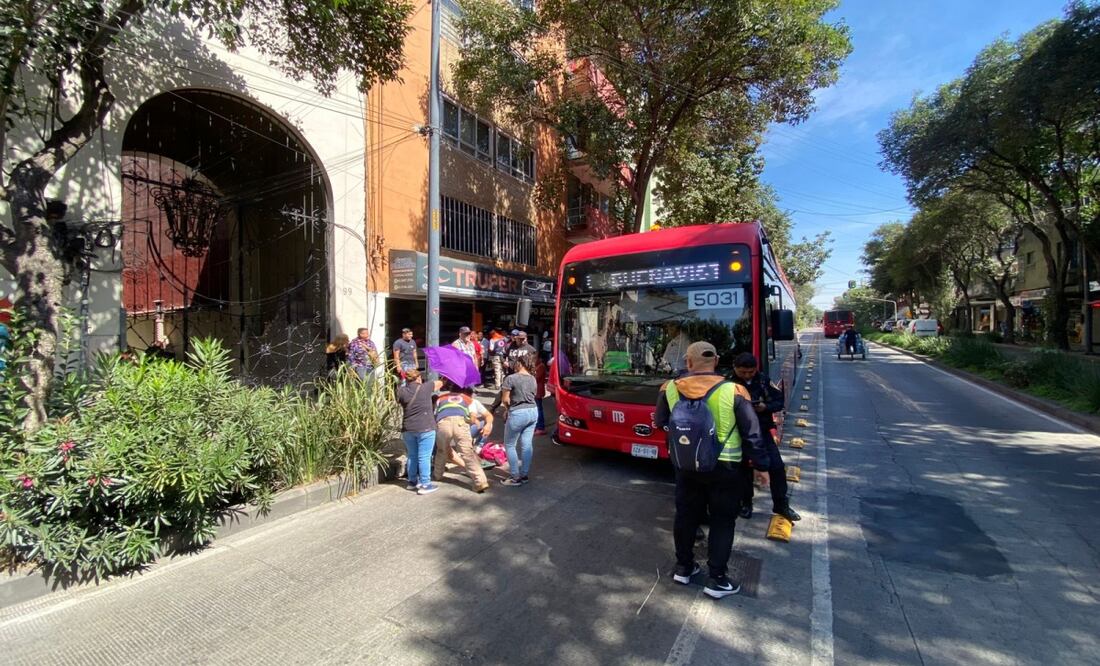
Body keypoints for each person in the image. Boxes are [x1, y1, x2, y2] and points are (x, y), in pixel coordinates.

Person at [655, 341, 769, 599]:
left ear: (688, 362)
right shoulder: (735, 390)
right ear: (716, 361)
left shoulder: (669, 387)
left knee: (685, 515)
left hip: (685, 465)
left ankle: (683, 568)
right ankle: (716, 579)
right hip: (726, 468)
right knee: (722, 520)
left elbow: (660, 422)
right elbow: (752, 433)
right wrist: (762, 467)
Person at [732, 353, 800, 523]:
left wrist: (765, 407)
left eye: (751, 372)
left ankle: (781, 505)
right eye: (743, 372)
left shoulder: (763, 380)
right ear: (735, 369)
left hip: (762, 430)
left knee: (776, 467)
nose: (747, 375)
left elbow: (779, 401)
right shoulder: (728, 383)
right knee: (743, 471)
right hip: (738, 432)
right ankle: (745, 504)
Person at [433, 381, 491, 493]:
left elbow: (436, 413)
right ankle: (480, 482)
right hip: (460, 423)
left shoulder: (441, 398)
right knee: (467, 453)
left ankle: (438, 474)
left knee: (442, 450)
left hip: (444, 423)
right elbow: (472, 416)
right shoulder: (466, 398)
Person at [396, 369, 443, 495]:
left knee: (412, 455)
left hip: (408, 428)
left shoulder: (401, 391)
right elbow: (439, 383)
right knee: (424, 456)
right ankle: (425, 484)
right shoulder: (426, 387)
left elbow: (399, 398)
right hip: (425, 427)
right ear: (418, 378)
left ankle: (412, 481)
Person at [500, 356, 539, 486]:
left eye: (515, 363)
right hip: (533, 411)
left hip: (518, 412)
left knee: (510, 445)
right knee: (527, 444)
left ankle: (515, 477)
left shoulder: (510, 378)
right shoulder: (533, 378)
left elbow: (505, 399)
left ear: (520, 364)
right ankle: (524, 474)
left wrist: (507, 409)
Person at [533, 355, 548, 435]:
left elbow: (536, 378)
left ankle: (540, 427)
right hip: (535, 391)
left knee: (539, 409)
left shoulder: (541, 366)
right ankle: (537, 426)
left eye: (534, 359)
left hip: (538, 391)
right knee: (536, 409)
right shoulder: (536, 366)